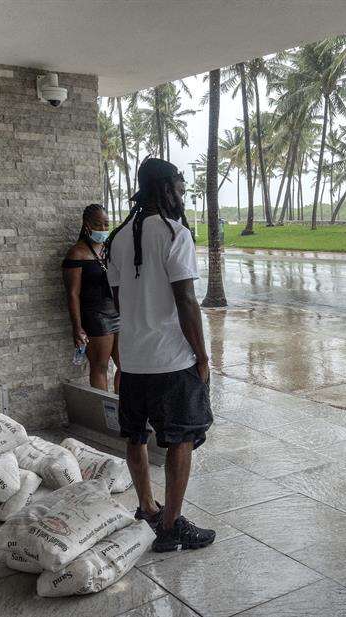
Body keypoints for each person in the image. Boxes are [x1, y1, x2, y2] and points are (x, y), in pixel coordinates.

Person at [106, 158, 215, 552]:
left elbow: (119, 302)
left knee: (135, 435)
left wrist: (121, 358)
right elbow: (186, 299)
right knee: (181, 438)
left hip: (134, 359)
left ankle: (148, 508)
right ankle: (170, 527)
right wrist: (202, 356)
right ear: (165, 189)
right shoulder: (174, 234)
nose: (182, 196)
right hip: (172, 361)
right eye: (180, 189)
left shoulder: (117, 238)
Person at [62, 204, 121, 392]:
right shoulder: (77, 252)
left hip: (117, 312)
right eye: (98, 224)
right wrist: (77, 327)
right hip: (95, 317)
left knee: (127, 365)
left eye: (106, 224)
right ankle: (104, 410)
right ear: (87, 225)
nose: (103, 228)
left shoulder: (109, 249)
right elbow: (72, 293)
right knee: (100, 367)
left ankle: (124, 406)